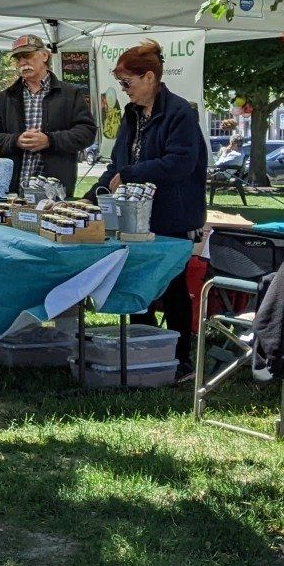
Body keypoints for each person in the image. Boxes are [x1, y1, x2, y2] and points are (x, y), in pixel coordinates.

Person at [100, 39, 209, 364]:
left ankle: (180, 359)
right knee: (138, 283)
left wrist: (131, 174)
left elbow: (180, 163)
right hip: (136, 219)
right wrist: (95, 195)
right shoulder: (132, 114)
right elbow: (117, 164)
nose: (124, 90)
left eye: (127, 83)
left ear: (149, 78)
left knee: (173, 286)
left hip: (172, 217)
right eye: (121, 84)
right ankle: (143, 352)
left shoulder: (180, 113)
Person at [0, 33, 97, 196]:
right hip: (11, 191)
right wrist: (15, 140)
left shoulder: (70, 94)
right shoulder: (4, 98)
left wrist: (50, 140)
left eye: (27, 56)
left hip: (55, 191)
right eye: (18, 58)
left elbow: (87, 132)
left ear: (44, 55)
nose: (22, 62)